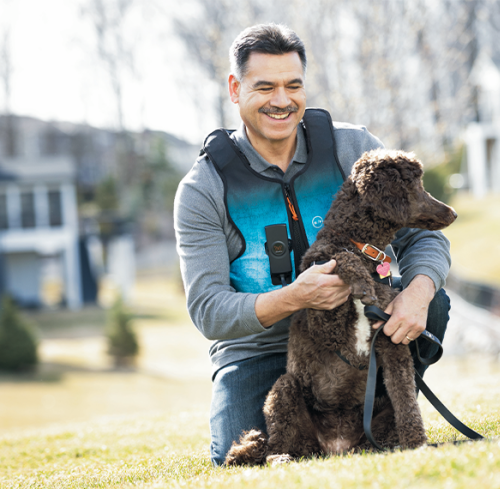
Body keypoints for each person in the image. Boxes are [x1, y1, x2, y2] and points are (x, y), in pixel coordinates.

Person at [174, 23, 452, 466]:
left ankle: (384, 415)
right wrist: (292, 298)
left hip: (359, 333)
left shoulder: (354, 147)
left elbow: (422, 236)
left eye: (293, 85)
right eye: (264, 86)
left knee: (434, 303)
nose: (282, 101)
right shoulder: (202, 188)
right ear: (234, 88)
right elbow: (208, 309)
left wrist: (416, 295)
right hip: (261, 350)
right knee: (235, 453)